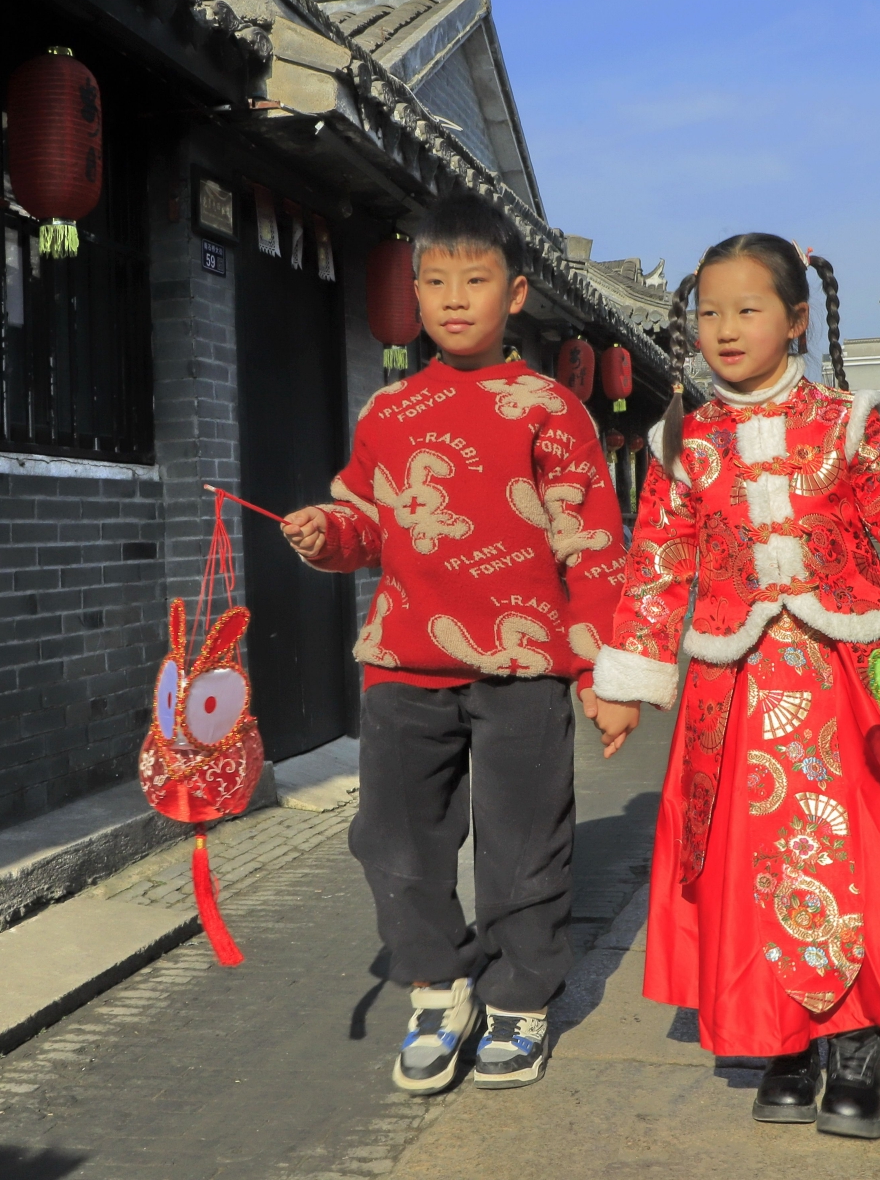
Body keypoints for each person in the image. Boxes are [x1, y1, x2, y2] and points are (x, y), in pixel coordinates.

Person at [590, 235, 880, 1142]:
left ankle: (855, 1041)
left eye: (747, 309)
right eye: (709, 312)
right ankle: (780, 1040)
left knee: (864, 859)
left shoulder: (853, 420)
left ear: (797, 318)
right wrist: (626, 682)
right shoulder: (681, 439)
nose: (724, 330)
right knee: (745, 862)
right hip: (732, 691)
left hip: (849, 685)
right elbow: (657, 563)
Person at [281, 194, 626, 1095]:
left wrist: (602, 673)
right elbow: (366, 516)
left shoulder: (552, 408)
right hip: (404, 662)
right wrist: (329, 531)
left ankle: (517, 1000)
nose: (454, 299)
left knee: (524, 842)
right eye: (435, 282)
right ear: (415, 290)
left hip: (522, 669)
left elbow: (589, 543)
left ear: (515, 294)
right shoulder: (390, 411)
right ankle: (437, 991)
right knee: (392, 839)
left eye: (475, 281)